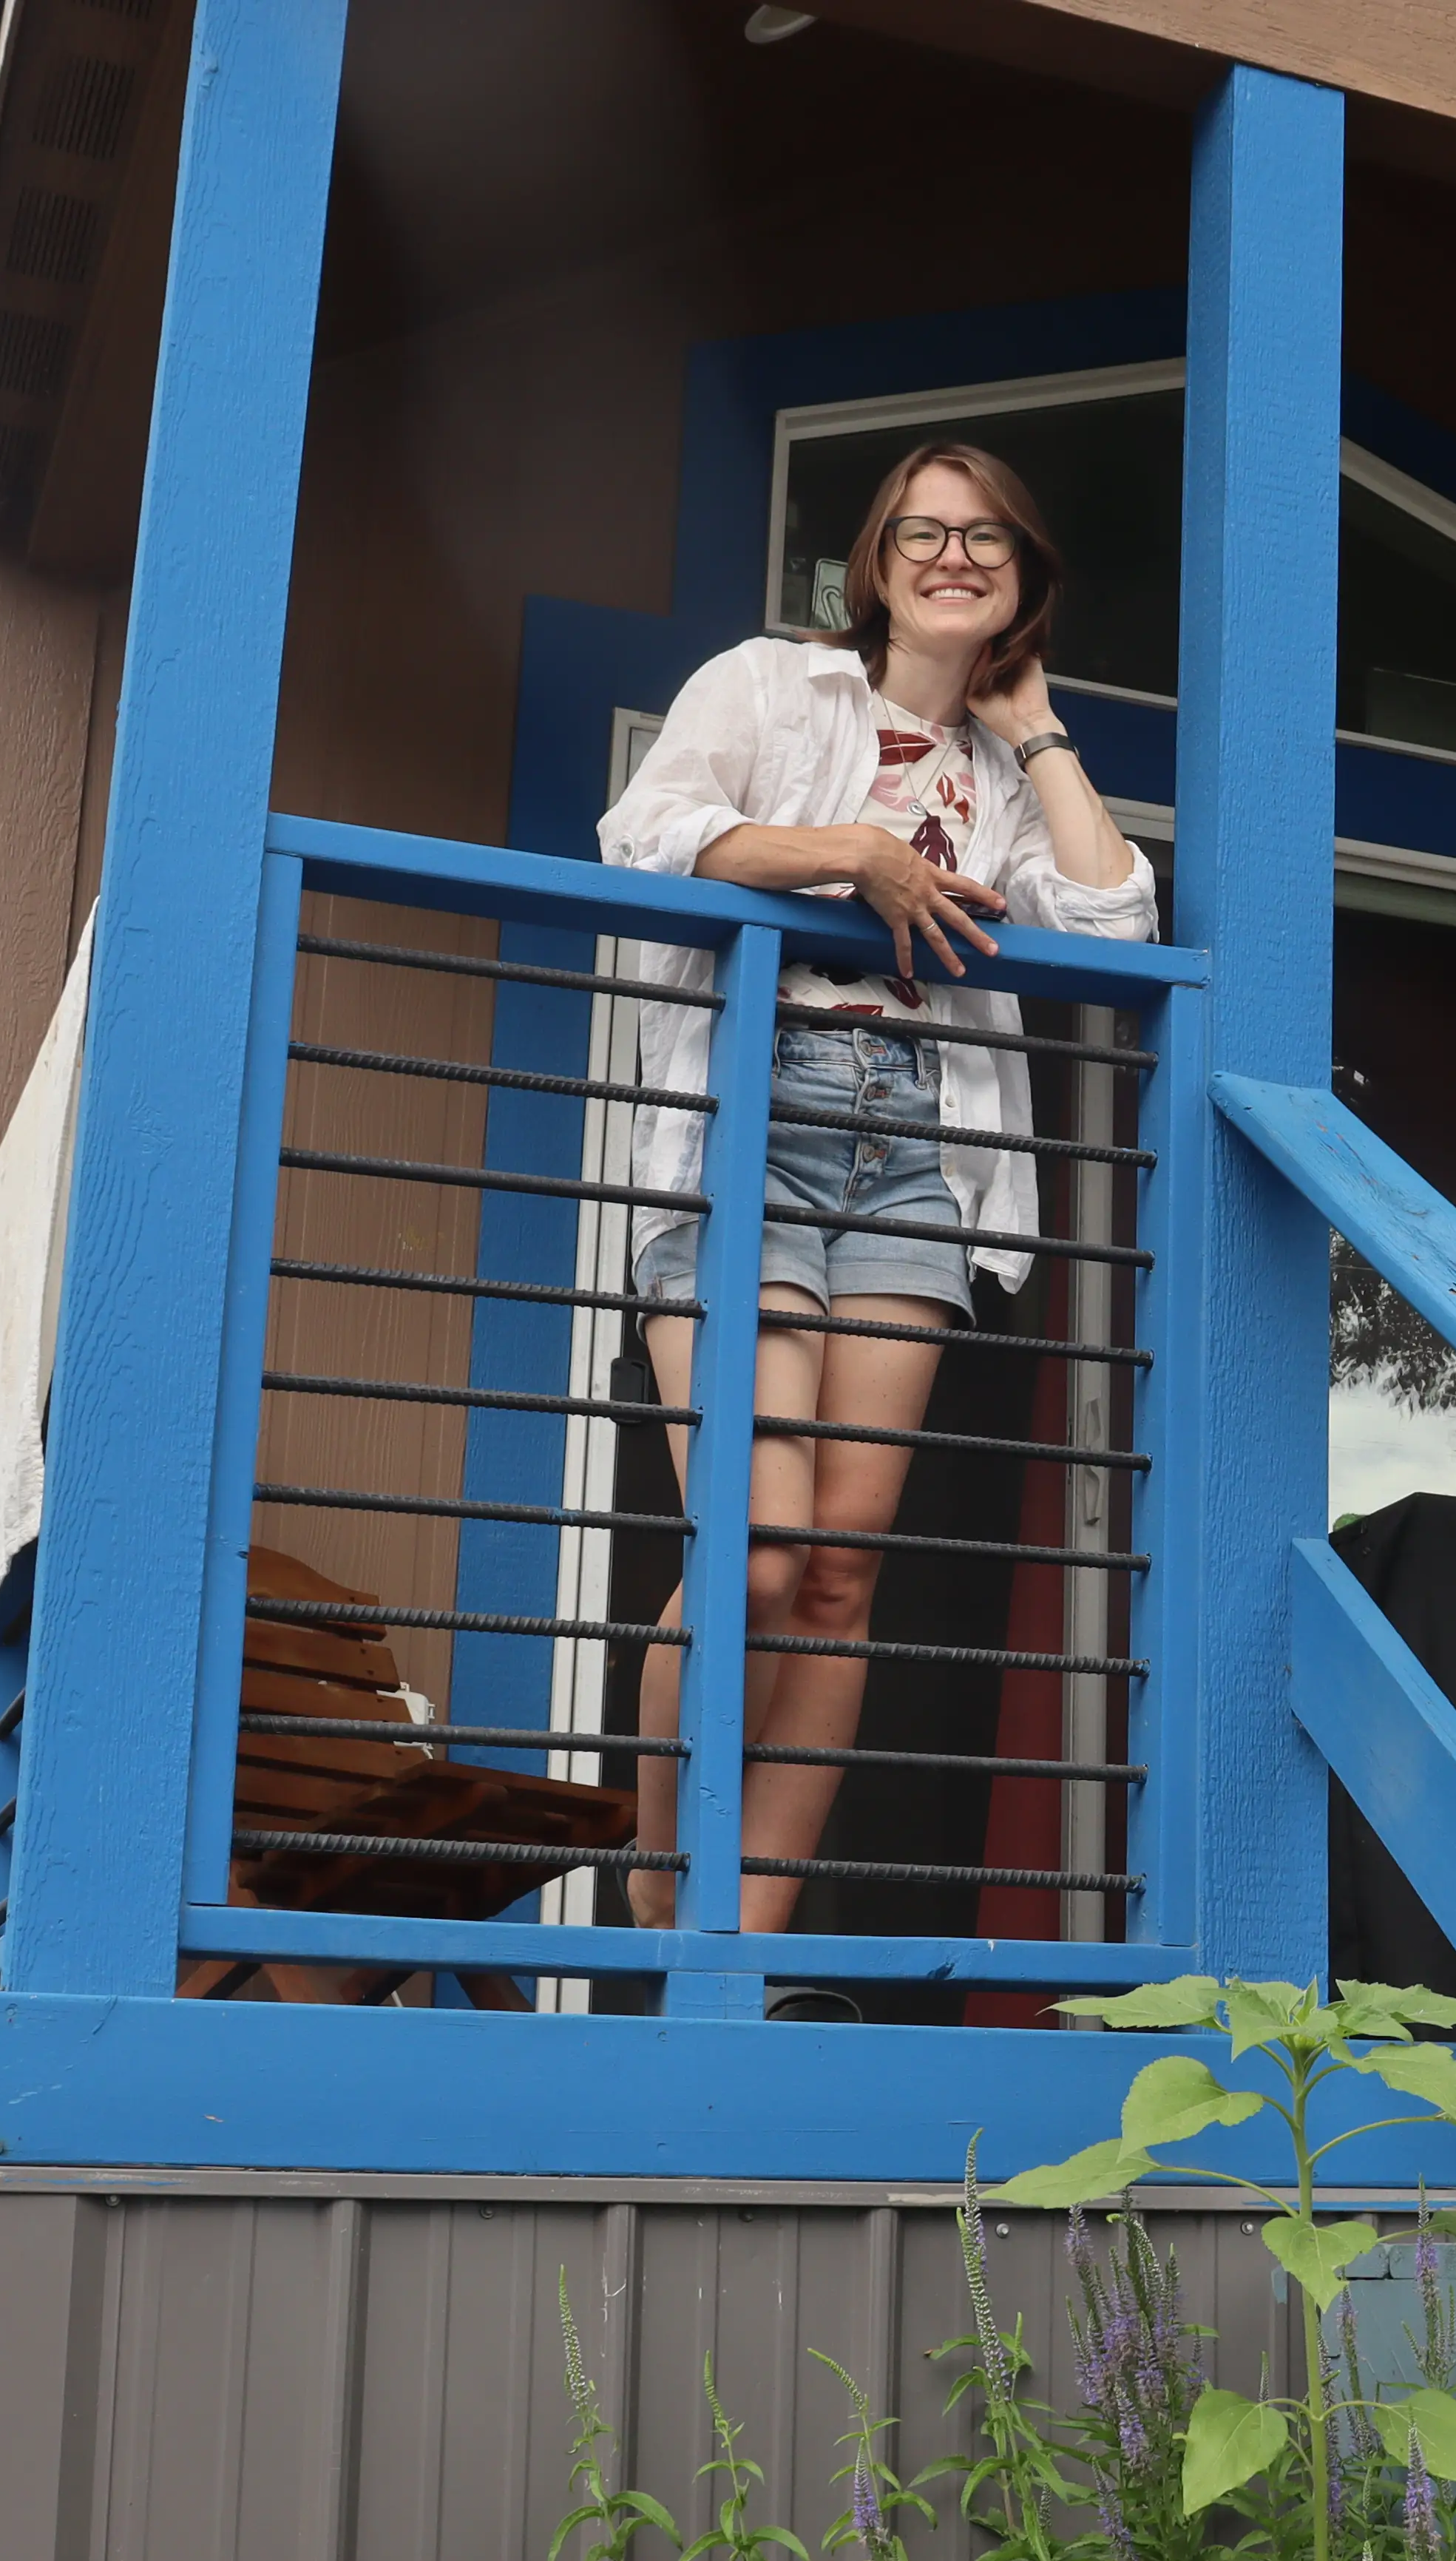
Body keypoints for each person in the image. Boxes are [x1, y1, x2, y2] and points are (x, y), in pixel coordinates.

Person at [595, 439, 1154, 1929]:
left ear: (1023, 573)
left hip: (915, 1151)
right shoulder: (773, 686)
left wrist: (1035, 729)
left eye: (989, 538)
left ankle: (741, 1961)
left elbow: (1110, 921)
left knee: (840, 1576)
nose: (954, 554)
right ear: (876, 557)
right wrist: (856, 856)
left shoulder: (997, 772)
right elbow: (647, 836)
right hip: (746, 1120)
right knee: (760, 1547)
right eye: (925, 529)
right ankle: (663, 1909)